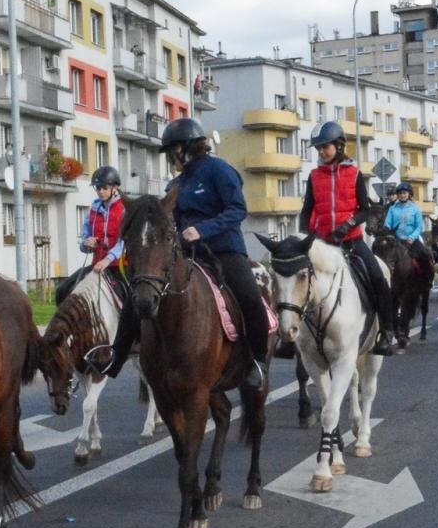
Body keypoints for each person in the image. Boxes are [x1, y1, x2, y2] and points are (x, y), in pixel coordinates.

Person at [105, 118, 270, 389]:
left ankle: (257, 361)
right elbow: (173, 220)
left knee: (250, 298)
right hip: (187, 252)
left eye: (172, 152)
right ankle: (116, 355)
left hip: (224, 250)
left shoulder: (219, 170)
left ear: (185, 148)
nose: (170, 158)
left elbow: (237, 209)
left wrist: (202, 230)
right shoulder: (176, 184)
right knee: (141, 290)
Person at [299, 122, 395, 355]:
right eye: (318, 148)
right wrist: (304, 238)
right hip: (323, 244)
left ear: (339, 146)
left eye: (325, 147)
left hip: (352, 242)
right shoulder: (314, 176)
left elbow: (365, 210)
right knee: (295, 279)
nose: (321, 152)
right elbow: (306, 211)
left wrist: (347, 226)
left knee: (378, 278)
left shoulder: (354, 174)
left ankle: (386, 332)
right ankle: (291, 337)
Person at [55, 164, 128, 306]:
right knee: (62, 289)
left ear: (115, 188)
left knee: (131, 302)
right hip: (96, 266)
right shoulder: (92, 211)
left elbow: (123, 242)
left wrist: (107, 260)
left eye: (104, 188)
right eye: (98, 188)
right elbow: (84, 241)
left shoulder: (124, 210)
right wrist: (87, 244)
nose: (100, 191)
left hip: (119, 267)